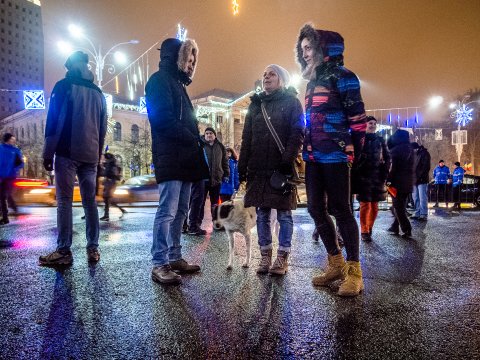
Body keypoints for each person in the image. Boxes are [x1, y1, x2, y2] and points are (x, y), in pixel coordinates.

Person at [296, 24, 367, 296]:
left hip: (336, 156)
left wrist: (353, 154)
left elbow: (358, 121)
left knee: (341, 210)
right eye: (301, 49)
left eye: (309, 47)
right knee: (315, 208)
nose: (304, 54)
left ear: (324, 48)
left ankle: (354, 272)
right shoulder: (311, 82)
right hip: (313, 155)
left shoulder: (345, 77)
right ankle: (335, 262)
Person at [145, 37, 209, 285]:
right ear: (176, 57)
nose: (192, 64)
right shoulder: (159, 81)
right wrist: (193, 139)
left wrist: (194, 142)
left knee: (181, 210)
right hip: (171, 157)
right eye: (188, 59)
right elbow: (162, 119)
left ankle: (174, 256)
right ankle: (159, 262)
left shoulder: (179, 85)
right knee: (168, 212)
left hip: (185, 159)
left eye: (194, 60)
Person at [39, 51, 107, 266]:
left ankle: (63, 251)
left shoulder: (63, 86)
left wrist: (48, 153)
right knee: (90, 203)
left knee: (65, 202)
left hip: (67, 152)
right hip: (90, 156)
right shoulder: (98, 93)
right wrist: (97, 156)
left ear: (70, 67)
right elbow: (103, 128)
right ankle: (93, 248)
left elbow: (54, 122)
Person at [238, 64, 305, 276]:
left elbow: (297, 133)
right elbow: (247, 138)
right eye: (264, 74)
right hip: (258, 168)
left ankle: (282, 258)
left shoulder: (292, 102)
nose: (266, 77)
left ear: (281, 80)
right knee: (262, 215)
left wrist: (287, 160)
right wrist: (242, 165)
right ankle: (265, 256)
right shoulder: (255, 106)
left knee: (284, 215)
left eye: (272, 74)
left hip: (280, 168)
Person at [353, 116, 390, 242]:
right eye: (370, 123)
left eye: (374, 123)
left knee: (374, 206)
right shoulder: (360, 139)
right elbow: (355, 158)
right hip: (363, 177)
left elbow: (388, 158)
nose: (373, 125)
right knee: (365, 205)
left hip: (377, 177)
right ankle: (364, 230)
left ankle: (369, 227)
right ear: (365, 124)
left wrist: (384, 173)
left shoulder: (380, 140)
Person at [188, 127, 229, 235]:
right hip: (203, 179)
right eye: (207, 133)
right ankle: (196, 225)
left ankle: (217, 224)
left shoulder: (220, 147)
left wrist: (226, 174)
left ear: (214, 135)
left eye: (211, 133)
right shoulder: (201, 145)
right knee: (199, 203)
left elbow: (225, 162)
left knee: (215, 204)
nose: (209, 135)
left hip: (216, 179)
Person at [386, 129, 415, 238]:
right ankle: (394, 226)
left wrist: (388, 181)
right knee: (399, 206)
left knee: (397, 207)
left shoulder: (395, 151)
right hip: (408, 183)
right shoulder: (410, 149)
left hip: (397, 184)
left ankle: (406, 229)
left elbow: (393, 169)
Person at [0, 133, 24, 225]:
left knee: (4, 195)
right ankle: (6, 215)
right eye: (12, 139)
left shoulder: (16, 150)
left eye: (14, 139)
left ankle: (6, 216)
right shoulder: (1, 148)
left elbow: (21, 163)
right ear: (7, 139)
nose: (13, 141)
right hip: (1, 175)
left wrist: (14, 169)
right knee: (3, 196)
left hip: (10, 176)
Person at [100, 153, 126, 221]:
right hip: (110, 183)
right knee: (107, 199)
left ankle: (107, 215)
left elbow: (108, 173)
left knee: (107, 198)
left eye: (104, 157)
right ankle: (107, 215)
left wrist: (105, 174)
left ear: (107, 157)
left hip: (110, 183)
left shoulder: (111, 164)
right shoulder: (112, 163)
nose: (104, 159)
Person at [410, 142, 431, 221]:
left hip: (421, 179)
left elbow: (426, 167)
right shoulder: (415, 154)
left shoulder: (425, 154)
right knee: (415, 197)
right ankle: (417, 212)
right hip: (415, 179)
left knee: (422, 197)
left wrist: (419, 176)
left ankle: (423, 214)